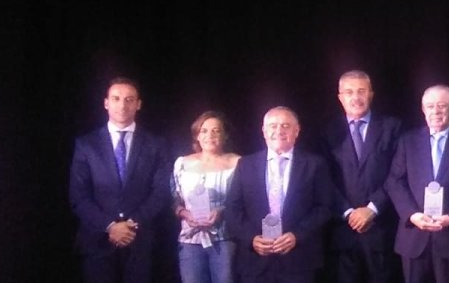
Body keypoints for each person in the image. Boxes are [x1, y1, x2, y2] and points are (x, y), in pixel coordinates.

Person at [69, 77, 171, 283]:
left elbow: (160, 192)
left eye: (129, 99)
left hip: (139, 241)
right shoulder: (86, 145)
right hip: (97, 240)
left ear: (138, 104)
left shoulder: (156, 145)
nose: (122, 105)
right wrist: (109, 226)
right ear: (106, 102)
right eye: (116, 98)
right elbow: (78, 196)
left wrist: (131, 224)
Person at [224, 106, 333, 283]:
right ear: (264, 131)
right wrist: (251, 239)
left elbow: (325, 207)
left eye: (285, 126)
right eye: (273, 126)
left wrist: (297, 235)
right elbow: (232, 209)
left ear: (297, 131)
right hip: (255, 262)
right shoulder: (246, 164)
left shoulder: (315, 164)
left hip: (298, 260)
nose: (279, 131)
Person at [385, 84, 449, 283]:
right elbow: (394, 181)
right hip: (414, 238)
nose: (435, 111)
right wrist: (412, 215)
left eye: (442, 106)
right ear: (423, 110)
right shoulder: (407, 140)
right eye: (430, 106)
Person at [320, 70, 403, 283]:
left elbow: (397, 174)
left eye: (361, 91)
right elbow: (324, 181)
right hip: (343, 231)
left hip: (381, 229)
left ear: (371, 94)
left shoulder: (392, 127)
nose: (355, 97)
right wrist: (348, 212)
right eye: (349, 92)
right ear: (340, 97)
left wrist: (372, 208)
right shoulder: (327, 131)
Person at [172, 111, 241, 283]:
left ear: (224, 135)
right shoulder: (182, 163)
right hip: (189, 240)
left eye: (216, 131)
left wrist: (222, 210)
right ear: (197, 135)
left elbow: (246, 200)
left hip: (225, 239)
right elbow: (173, 199)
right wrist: (183, 213)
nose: (209, 135)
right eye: (204, 131)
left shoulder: (238, 163)